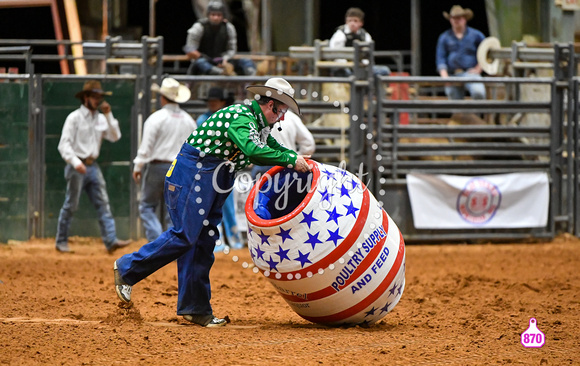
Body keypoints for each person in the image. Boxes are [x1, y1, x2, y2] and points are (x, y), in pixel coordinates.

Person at [113, 77, 311, 327]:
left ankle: (195, 309)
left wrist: (291, 156)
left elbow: (267, 144)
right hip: (196, 172)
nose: (282, 117)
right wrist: (291, 160)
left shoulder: (256, 121)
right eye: (282, 111)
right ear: (271, 105)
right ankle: (127, 269)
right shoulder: (242, 117)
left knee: (203, 240)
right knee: (186, 235)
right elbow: (251, 150)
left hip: (210, 174)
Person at [55, 80, 131, 254]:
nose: (98, 100)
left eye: (100, 97)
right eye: (95, 97)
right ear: (86, 98)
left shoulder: (100, 118)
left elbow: (115, 136)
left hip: (92, 165)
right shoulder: (74, 118)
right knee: (71, 204)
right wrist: (76, 162)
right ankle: (61, 241)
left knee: (103, 203)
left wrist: (109, 115)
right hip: (78, 165)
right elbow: (63, 145)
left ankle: (111, 240)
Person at [133, 78, 196, 242]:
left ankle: (156, 243)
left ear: (163, 97)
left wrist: (138, 166)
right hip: (180, 169)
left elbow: (146, 147)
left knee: (147, 206)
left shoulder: (156, 118)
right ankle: (170, 246)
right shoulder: (189, 120)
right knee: (173, 210)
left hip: (158, 167)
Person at [196, 86, 241, 252]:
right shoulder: (203, 119)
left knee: (227, 205)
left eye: (215, 101)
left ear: (222, 102)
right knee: (212, 205)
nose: (212, 103)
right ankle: (218, 241)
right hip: (212, 166)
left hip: (225, 166)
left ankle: (234, 240)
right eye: (210, 101)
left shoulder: (208, 119)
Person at [184, 1, 256, 76]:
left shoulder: (229, 28)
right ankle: (221, 73)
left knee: (245, 61)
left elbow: (232, 49)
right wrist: (205, 58)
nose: (216, 18)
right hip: (204, 60)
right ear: (208, 15)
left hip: (223, 60)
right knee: (200, 62)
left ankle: (254, 77)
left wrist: (224, 59)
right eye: (213, 15)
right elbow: (190, 48)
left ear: (223, 16)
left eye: (219, 15)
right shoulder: (198, 27)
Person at [436, 5, 486, 100]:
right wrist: (445, 77)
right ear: (450, 20)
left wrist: (479, 68)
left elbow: (486, 51)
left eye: (458, 18)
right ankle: (459, 114)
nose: (456, 20)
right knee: (453, 96)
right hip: (452, 74)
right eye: (453, 18)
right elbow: (440, 58)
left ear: (464, 19)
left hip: (471, 73)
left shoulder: (476, 35)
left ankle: (475, 114)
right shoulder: (444, 37)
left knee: (478, 93)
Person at [251, 110, 316, 179]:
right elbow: (309, 143)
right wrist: (295, 157)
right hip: (287, 165)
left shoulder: (260, 115)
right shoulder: (291, 117)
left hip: (264, 163)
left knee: (260, 189)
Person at [328, 7, 391, 77]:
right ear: (346, 22)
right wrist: (348, 65)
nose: (352, 23)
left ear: (361, 23)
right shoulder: (340, 34)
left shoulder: (365, 35)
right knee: (346, 73)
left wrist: (364, 65)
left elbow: (368, 56)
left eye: (355, 21)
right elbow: (336, 55)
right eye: (349, 21)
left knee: (384, 70)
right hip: (344, 67)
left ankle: (371, 87)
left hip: (361, 67)